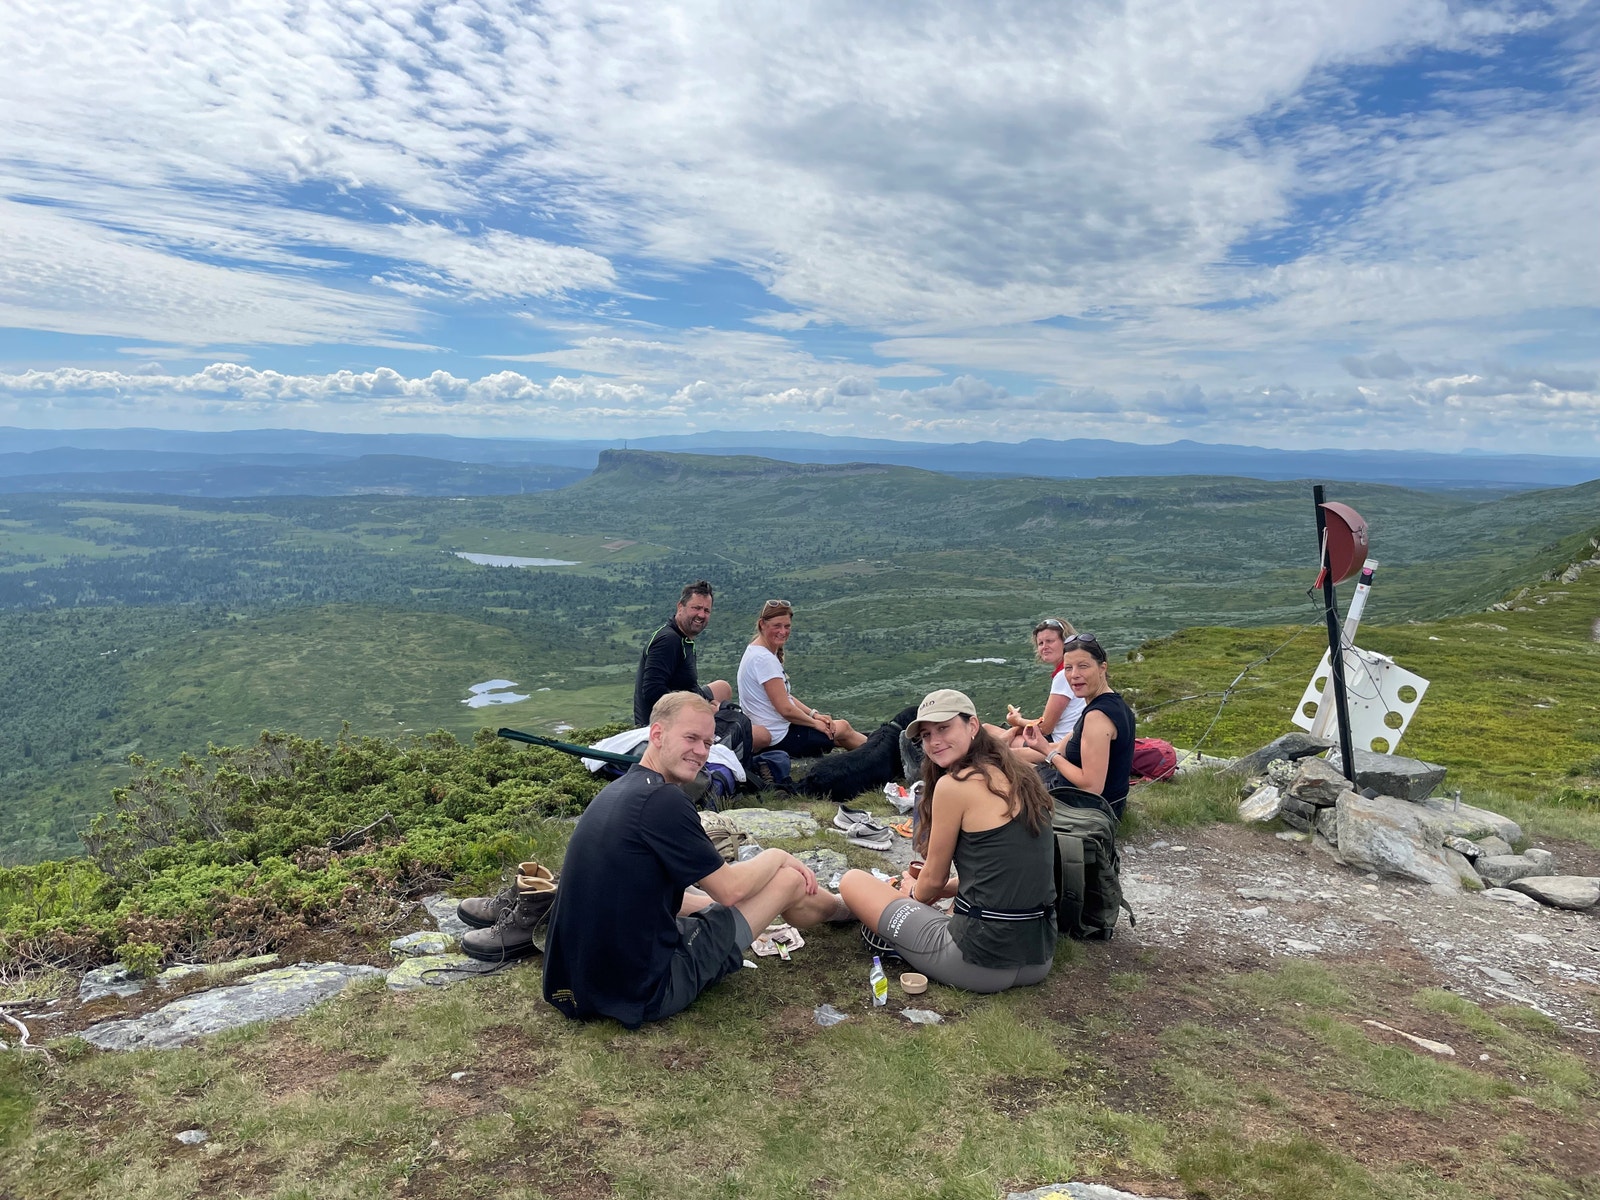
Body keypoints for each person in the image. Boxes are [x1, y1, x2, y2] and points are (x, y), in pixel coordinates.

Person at [542, 691, 850, 1028]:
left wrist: (734, 907)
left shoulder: (619, 792)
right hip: (646, 991)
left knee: (725, 899)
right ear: (657, 735)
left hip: (579, 985)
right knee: (788, 880)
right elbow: (729, 891)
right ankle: (848, 909)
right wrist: (778, 856)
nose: (702, 752)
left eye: (708, 742)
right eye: (691, 738)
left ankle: (844, 906)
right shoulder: (664, 801)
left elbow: (649, 898)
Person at [839, 689, 1056, 993]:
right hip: (1037, 957)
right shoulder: (1022, 775)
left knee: (853, 882)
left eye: (944, 728)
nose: (934, 741)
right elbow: (1002, 872)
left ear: (972, 726)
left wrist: (911, 893)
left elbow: (931, 882)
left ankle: (873, 925)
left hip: (976, 961)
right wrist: (945, 888)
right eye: (926, 735)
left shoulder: (954, 785)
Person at [1020, 632, 1136, 817]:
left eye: (1083, 666)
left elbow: (1092, 786)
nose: (1074, 675)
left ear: (1102, 668)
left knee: (1000, 780)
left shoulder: (1098, 717)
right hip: (1089, 800)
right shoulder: (1110, 703)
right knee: (1011, 764)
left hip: (1080, 807)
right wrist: (1001, 753)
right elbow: (1060, 747)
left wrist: (1050, 755)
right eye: (1068, 668)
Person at [736, 599, 866, 755]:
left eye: (787, 626)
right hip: (779, 737)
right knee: (843, 728)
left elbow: (784, 696)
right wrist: (814, 723)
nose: (783, 632)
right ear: (762, 624)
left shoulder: (755, 650)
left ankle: (880, 756)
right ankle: (884, 756)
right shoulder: (764, 660)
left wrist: (814, 714)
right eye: (777, 626)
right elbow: (786, 709)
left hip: (773, 728)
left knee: (838, 735)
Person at [987, 617, 1085, 765]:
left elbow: (1045, 727)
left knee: (989, 738)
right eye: (1041, 643)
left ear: (1065, 642)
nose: (1044, 647)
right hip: (1067, 740)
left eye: (1050, 641)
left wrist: (1017, 721)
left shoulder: (1064, 675)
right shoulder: (1072, 671)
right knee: (987, 730)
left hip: (1060, 744)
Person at [633, 581, 732, 726]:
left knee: (723, 688)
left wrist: (708, 702)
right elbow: (652, 691)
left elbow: (687, 684)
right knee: (760, 735)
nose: (701, 615)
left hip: (683, 699)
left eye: (706, 610)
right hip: (662, 721)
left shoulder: (683, 637)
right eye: (696, 608)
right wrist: (701, 710)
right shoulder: (669, 640)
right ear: (680, 606)